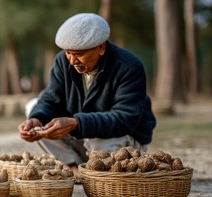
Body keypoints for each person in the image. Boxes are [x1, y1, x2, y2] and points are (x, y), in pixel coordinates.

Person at [17, 13, 157, 179]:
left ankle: (94, 171)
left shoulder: (129, 67)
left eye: (79, 54)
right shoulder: (62, 62)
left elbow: (125, 119)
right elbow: (50, 98)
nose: (72, 60)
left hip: (117, 139)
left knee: (105, 150)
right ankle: (73, 167)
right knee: (33, 107)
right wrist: (37, 118)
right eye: (68, 53)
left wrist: (77, 124)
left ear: (101, 48)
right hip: (82, 138)